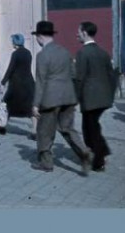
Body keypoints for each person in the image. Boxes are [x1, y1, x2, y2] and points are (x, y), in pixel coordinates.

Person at [30, 20, 92, 175]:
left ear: (39, 37)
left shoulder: (42, 55)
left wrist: (35, 104)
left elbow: (40, 81)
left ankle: (46, 163)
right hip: (68, 97)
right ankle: (84, 152)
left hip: (50, 99)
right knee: (68, 129)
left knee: (44, 131)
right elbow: (74, 74)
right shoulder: (65, 51)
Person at [75, 21, 116, 172]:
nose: (77, 34)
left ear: (85, 33)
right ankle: (102, 152)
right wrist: (110, 95)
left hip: (90, 100)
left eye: (79, 31)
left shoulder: (82, 53)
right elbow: (112, 77)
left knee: (90, 129)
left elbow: (79, 78)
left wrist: (75, 97)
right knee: (93, 127)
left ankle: (99, 160)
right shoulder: (103, 52)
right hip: (104, 99)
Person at [0, 34, 37, 136]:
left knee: (7, 106)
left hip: (16, 85)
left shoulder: (15, 54)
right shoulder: (28, 53)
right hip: (29, 83)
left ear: (15, 42)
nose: (12, 43)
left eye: (12, 41)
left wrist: (3, 83)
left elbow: (10, 69)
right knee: (30, 108)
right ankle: (35, 131)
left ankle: (1, 127)